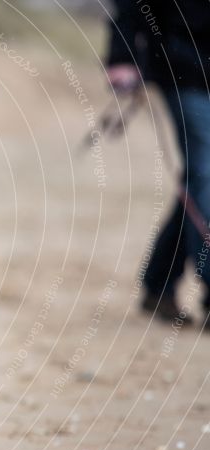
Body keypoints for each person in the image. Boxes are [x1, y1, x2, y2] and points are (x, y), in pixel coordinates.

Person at [106, 0, 210, 325]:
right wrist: (121, 56)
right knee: (204, 174)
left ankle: (159, 284)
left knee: (199, 180)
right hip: (183, 70)